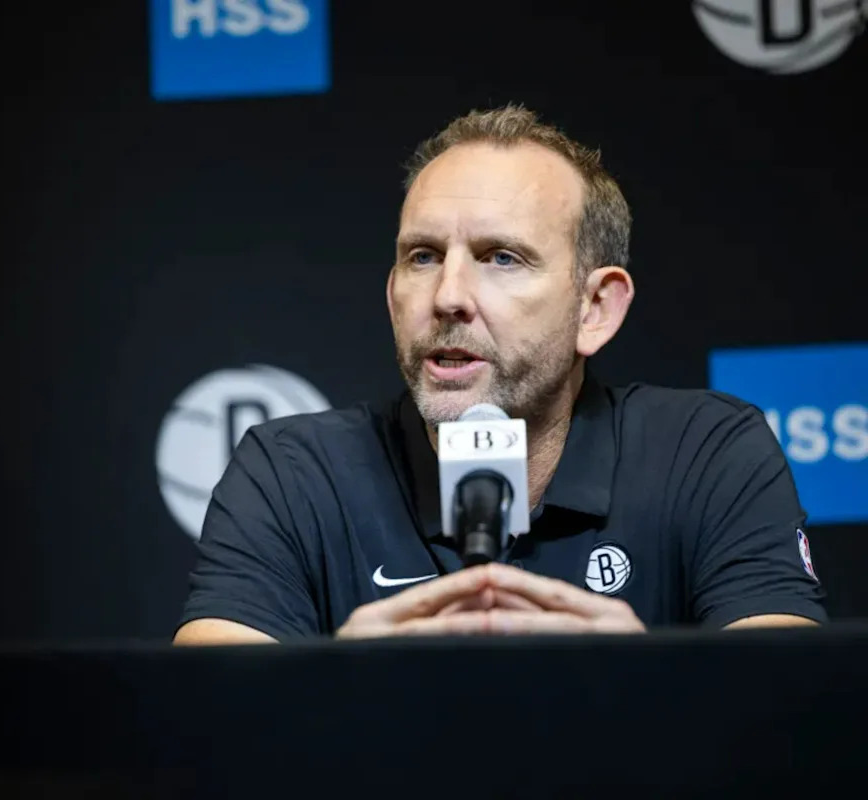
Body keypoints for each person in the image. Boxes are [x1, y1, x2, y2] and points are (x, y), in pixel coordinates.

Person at [173, 105, 826, 644]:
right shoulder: (292, 472)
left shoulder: (707, 452)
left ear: (595, 309)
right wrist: (339, 683)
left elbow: (795, 713)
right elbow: (203, 723)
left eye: (502, 258)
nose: (448, 295)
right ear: (393, 292)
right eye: (423, 256)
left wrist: (641, 676)